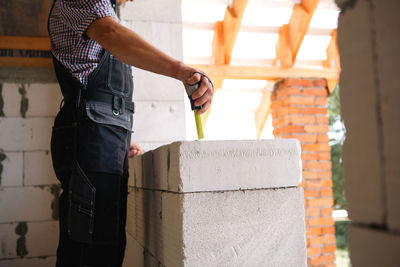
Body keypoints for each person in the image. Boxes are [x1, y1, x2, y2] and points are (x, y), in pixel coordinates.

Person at [47, 0, 214, 266]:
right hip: (89, 140)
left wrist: (122, 143)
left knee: (106, 244)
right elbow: (110, 35)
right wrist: (181, 70)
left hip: (103, 142)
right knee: (88, 247)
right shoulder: (88, 5)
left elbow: (104, 100)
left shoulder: (108, 12)